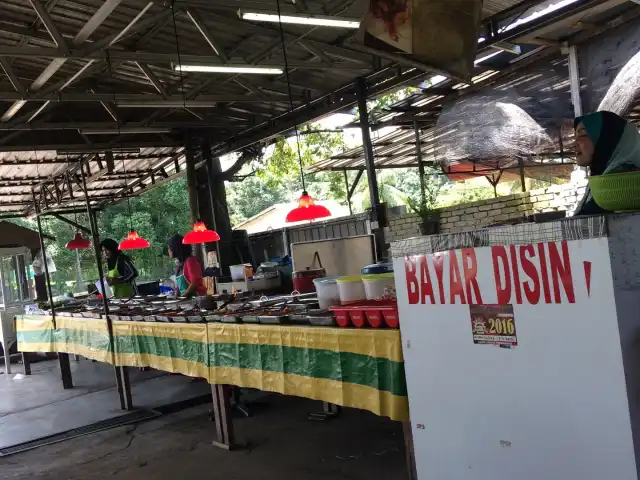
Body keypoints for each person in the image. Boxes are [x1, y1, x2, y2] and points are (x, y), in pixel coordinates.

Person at [574, 111, 640, 216]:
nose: (575, 143)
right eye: (575, 137)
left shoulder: (626, 181)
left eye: (583, 135)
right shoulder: (599, 181)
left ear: (607, 138)